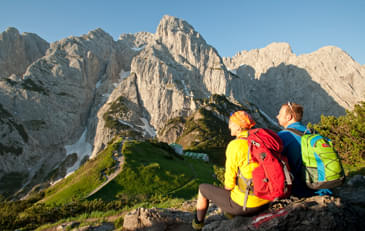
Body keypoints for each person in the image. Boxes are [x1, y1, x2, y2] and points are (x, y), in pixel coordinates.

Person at [192, 111, 270, 230]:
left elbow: (229, 184)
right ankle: (229, 214)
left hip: (248, 205)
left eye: (231, 123)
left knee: (203, 189)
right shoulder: (260, 140)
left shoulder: (235, 145)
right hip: (267, 200)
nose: (229, 126)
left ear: (239, 127)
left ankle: (197, 224)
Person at [276, 102, 331, 197]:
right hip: (324, 186)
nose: (277, 116)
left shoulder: (283, 136)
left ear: (289, 117)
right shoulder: (313, 133)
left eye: (280, 114)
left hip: (302, 191)